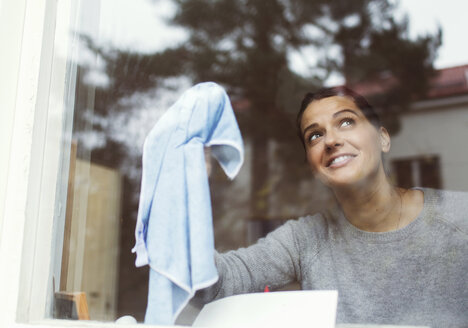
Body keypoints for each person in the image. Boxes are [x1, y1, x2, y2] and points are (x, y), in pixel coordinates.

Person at [196, 86, 468, 328]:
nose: (330, 141)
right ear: (312, 166)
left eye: (346, 122)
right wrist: (187, 185)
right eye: (314, 136)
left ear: (383, 138)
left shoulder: (460, 218)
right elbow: (216, 286)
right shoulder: (304, 240)